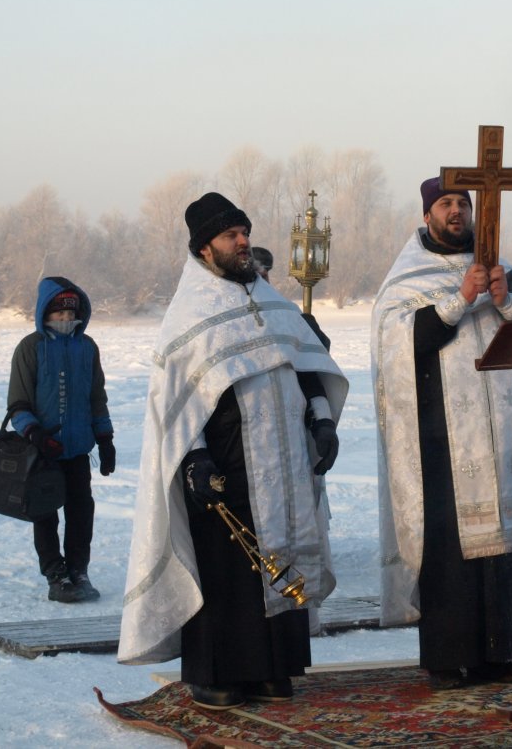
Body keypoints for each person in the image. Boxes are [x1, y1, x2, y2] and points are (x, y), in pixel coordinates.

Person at [118, 192, 348, 711]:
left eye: (244, 233)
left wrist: (324, 421)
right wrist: (194, 457)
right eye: (230, 236)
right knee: (228, 566)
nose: (243, 243)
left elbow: (308, 368)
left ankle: (273, 667)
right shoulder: (189, 314)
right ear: (205, 248)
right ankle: (215, 673)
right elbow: (177, 402)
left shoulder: (271, 302)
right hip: (223, 459)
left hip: (285, 458)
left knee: (283, 549)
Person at [371, 176, 512, 690]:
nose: (456, 212)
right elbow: (399, 346)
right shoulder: (406, 280)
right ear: (428, 214)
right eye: (446, 204)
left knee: (506, 544)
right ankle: (447, 657)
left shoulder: (507, 272)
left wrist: (507, 301)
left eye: (463, 203)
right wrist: (459, 300)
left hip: (505, 434)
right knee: (450, 551)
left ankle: (500, 654)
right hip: (441, 437)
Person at [7, 277, 115, 603]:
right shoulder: (31, 348)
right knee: (46, 515)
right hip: (42, 454)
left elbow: (96, 398)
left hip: (78, 451)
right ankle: (57, 575)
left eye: (72, 314)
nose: (67, 320)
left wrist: (105, 438)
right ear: (46, 313)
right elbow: (18, 404)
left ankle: (79, 571)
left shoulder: (87, 348)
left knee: (81, 513)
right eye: (60, 314)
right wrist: (36, 434)